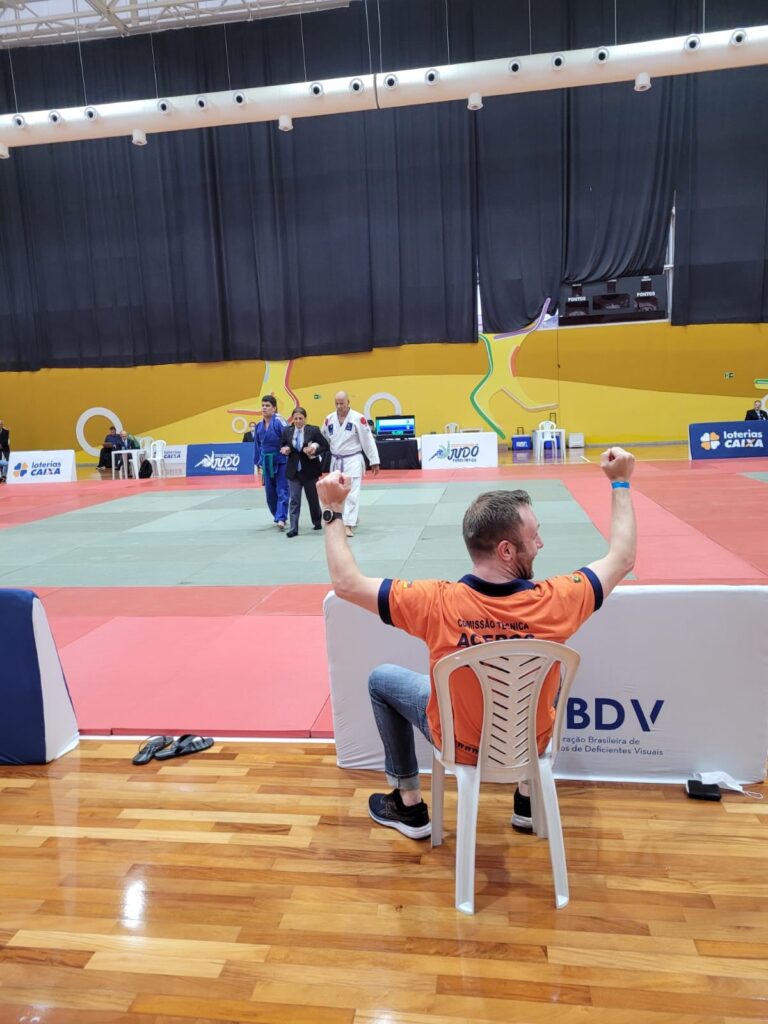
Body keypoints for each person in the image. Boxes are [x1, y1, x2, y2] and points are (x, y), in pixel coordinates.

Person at [316, 446, 637, 840]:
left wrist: (331, 510)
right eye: (533, 536)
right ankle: (526, 798)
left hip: (459, 745)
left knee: (382, 679)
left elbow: (346, 584)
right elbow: (622, 558)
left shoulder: (435, 602)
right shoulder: (559, 601)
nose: (540, 545)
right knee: (541, 674)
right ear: (506, 550)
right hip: (528, 746)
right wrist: (620, 481)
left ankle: (409, 805)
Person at [322, 391, 380, 538]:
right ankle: (349, 517)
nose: (339, 406)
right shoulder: (329, 419)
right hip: (336, 460)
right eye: (336, 403)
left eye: (342, 403)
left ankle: (348, 525)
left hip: (352, 459)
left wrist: (374, 461)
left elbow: (367, 441)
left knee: (352, 494)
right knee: (337, 493)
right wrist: (314, 449)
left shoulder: (358, 418)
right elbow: (323, 439)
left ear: (348, 402)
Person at [279, 407, 329, 537]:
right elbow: (282, 445)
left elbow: (325, 445)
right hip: (294, 471)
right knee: (294, 499)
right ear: (293, 419)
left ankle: (317, 521)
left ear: (305, 419)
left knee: (312, 499)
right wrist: (286, 449)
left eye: (300, 418)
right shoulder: (287, 431)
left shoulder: (313, 430)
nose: (298, 421)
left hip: (310, 470)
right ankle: (294, 528)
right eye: (295, 418)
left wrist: (314, 451)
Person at [253, 395, 289, 529]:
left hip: (281, 460)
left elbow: (289, 436)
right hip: (266, 461)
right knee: (270, 494)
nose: (264, 408)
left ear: (274, 408)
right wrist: (257, 462)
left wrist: (288, 448)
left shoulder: (279, 422)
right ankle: (277, 515)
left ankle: (281, 518)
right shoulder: (259, 425)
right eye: (263, 405)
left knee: (282, 490)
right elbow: (257, 445)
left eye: (267, 405)